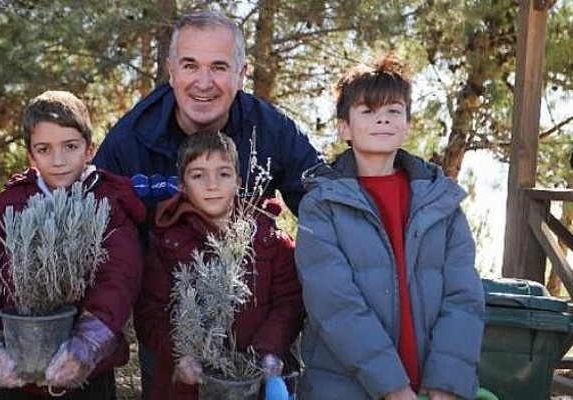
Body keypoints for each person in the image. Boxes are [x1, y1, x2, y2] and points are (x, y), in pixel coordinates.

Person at [294, 55, 485, 400]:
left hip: (432, 386)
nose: (382, 117)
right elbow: (334, 304)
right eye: (367, 110)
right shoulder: (321, 205)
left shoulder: (442, 202)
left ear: (408, 125)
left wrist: (447, 380)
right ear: (344, 127)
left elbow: (464, 297)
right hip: (346, 387)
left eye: (394, 110)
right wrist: (392, 387)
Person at [0, 90, 145, 399]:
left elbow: (119, 282)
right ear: (31, 156)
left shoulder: (109, 204)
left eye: (70, 147)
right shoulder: (6, 207)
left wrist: (85, 347)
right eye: (44, 149)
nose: (58, 161)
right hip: (19, 379)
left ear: (89, 150)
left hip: (89, 379)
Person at [93, 9, 322, 216]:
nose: (203, 83)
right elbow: (90, 226)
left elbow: (328, 211)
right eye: (190, 66)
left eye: (218, 67)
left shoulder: (273, 130)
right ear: (171, 72)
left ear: (241, 75)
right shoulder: (130, 139)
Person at [133, 131, 304, 399]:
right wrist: (181, 355)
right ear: (182, 185)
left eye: (223, 174)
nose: (212, 185)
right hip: (188, 386)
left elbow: (290, 302)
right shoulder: (167, 243)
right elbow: (150, 313)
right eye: (198, 175)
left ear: (238, 181)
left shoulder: (269, 238)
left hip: (255, 380)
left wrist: (267, 350)